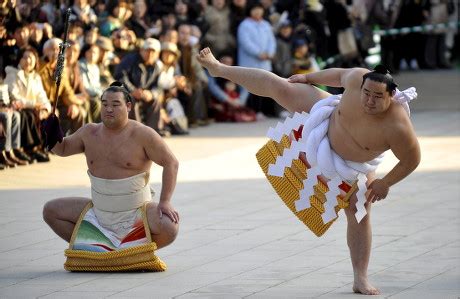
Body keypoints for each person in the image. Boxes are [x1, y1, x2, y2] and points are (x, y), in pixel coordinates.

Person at [196, 47, 421, 295]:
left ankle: (360, 277)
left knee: (360, 212)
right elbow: (338, 75)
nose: (369, 101)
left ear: (392, 96)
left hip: (354, 166)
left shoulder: (397, 125)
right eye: (366, 93)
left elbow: (412, 159)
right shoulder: (357, 78)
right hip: (327, 118)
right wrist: (308, 78)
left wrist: (386, 183)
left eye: (377, 97)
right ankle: (219, 69)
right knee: (280, 86)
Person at [42, 82, 180, 251]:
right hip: (99, 212)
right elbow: (62, 149)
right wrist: (52, 133)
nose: (109, 109)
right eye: (105, 104)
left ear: (128, 106)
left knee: (169, 226)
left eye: (115, 105)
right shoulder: (89, 132)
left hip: (136, 211)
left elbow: (171, 162)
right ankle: (96, 248)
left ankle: (135, 251)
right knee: (51, 211)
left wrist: (165, 201)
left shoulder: (143, 134)